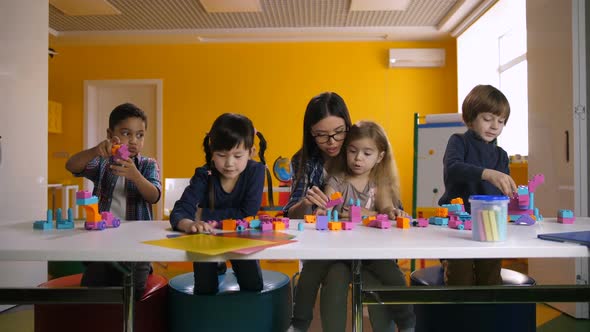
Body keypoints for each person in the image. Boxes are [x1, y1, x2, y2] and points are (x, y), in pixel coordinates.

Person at [323, 121, 415, 332]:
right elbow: (327, 209)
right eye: (353, 151)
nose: (358, 158)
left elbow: (386, 209)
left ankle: (407, 324)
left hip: (373, 254)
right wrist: (333, 212)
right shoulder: (337, 181)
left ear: (380, 157)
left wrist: (390, 213)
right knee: (334, 284)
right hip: (341, 255)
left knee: (394, 278)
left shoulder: (379, 182)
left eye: (366, 153)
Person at [65, 102, 161, 299]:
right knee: (93, 286)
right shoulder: (102, 163)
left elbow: (154, 196)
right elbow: (71, 165)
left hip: (137, 243)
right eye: (126, 133)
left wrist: (136, 176)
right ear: (110, 134)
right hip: (103, 241)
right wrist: (94, 151)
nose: (134, 140)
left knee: (134, 290)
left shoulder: (148, 165)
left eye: (140, 135)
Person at [169, 113, 268, 294]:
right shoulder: (204, 174)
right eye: (221, 155)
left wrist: (202, 214)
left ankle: (222, 264)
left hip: (241, 237)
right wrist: (189, 222)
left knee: (253, 285)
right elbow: (180, 210)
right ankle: (218, 265)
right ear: (212, 152)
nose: (229, 163)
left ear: (251, 152)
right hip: (207, 239)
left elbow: (247, 213)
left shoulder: (256, 171)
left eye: (238, 155)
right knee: (205, 288)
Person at [284, 92, 353, 332]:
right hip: (321, 246)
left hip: (358, 244)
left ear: (348, 126)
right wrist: (307, 203)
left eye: (338, 132)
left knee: (337, 275)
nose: (332, 141)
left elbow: (387, 200)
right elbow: (289, 216)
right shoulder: (304, 160)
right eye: (321, 135)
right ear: (310, 133)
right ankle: (300, 324)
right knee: (328, 273)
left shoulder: (360, 153)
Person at [438, 84, 517, 286]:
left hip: (490, 225)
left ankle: (487, 317)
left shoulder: (501, 155)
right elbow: (453, 168)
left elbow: (504, 192)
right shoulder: (458, 141)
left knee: (490, 278)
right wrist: (486, 174)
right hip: (458, 224)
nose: (494, 126)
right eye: (488, 119)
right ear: (470, 119)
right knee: (460, 278)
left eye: (500, 121)